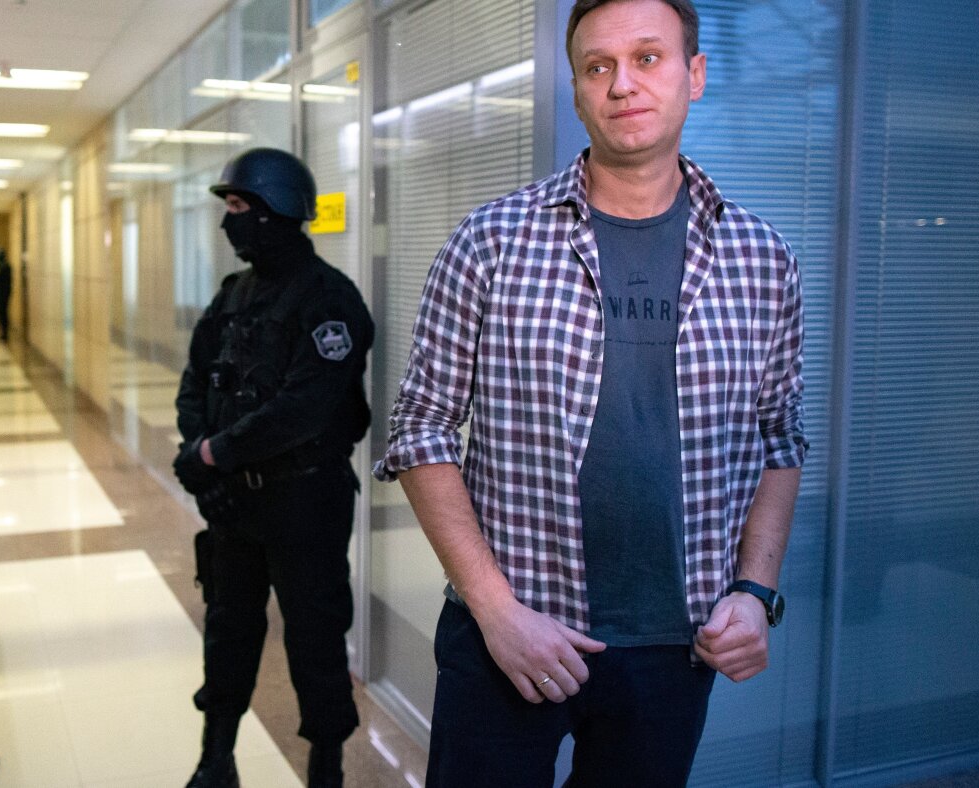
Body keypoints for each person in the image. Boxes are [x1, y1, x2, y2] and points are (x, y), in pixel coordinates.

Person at [374, 0, 808, 785]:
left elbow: (778, 438)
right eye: (598, 66)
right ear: (576, 92)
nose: (622, 84)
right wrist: (495, 611)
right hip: (508, 632)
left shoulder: (761, 260)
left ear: (695, 75)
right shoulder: (491, 242)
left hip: (675, 646)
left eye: (648, 58)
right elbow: (420, 428)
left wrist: (754, 591)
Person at [173, 148, 374, 788]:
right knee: (227, 631)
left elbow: (303, 410)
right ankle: (216, 759)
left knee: (315, 638)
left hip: (305, 504)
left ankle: (326, 768)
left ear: (274, 211)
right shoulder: (233, 295)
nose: (227, 220)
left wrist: (213, 453)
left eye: (238, 206)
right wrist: (201, 451)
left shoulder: (329, 300)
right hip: (235, 505)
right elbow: (195, 382)